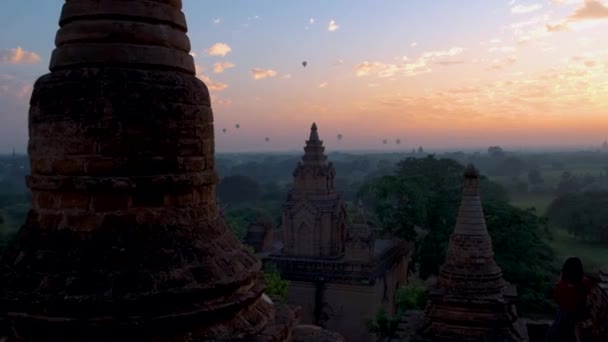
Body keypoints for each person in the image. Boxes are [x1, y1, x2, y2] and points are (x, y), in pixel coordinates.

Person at [545, 257, 593, 342]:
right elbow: (588, 298)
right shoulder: (586, 282)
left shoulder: (562, 286)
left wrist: (559, 281)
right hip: (580, 313)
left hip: (565, 316)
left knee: (552, 336)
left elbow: (557, 299)